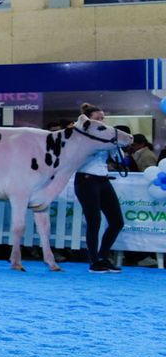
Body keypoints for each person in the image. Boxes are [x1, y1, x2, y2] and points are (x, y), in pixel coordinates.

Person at [73, 104, 125, 274]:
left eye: (103, 118)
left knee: (117, 221)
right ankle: (94, 261)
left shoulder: (106, 135)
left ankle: (103, 256)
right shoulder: (79, 135)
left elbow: (118, 159)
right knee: (94, 221)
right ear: (88, 119)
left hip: (102, 180)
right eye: (98, 118)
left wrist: (115, 146)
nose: (102, 121)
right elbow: (79, 158)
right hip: (86, 180)